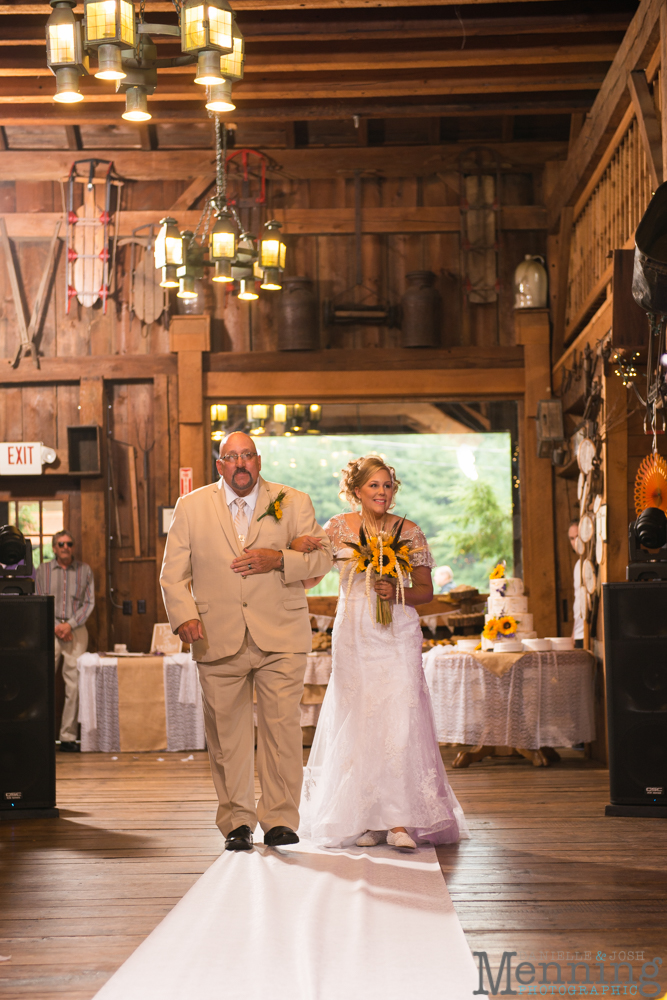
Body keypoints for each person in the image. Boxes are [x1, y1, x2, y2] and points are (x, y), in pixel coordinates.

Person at [160, 432, 333, 852]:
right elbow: (172, 572)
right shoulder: (191, 506)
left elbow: (322, 556)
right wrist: (183, 615)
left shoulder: (293, 501)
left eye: (247, 456)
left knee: (281, 731)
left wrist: (279, 559)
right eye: (230, 457)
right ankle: (237, 821)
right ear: (219, 466)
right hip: (216, 636)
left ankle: (279, 820)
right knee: (227, 736)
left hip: (281, 634)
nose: (240, 463)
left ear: (259, 461)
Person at [297, 455, 468, 850]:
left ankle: (399, 820)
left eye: (388, 485)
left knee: (400, 718)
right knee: (357, 718)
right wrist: (293, 547)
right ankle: (364, 819)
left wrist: (398, 592)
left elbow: (426, 590)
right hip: (354, 631)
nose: (382, 493)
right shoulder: (337, 528)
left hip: (397, 632)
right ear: (356, 490)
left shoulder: (410, 531)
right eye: (374, 486)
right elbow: (309, 578)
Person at [35, 529, 94, 752]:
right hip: (47, 629)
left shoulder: (84, 570)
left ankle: (68, 737)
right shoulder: (43, 570)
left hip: (76, 631)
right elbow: (38, 598)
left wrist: (69, 624)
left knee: (74, 684)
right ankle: (41, 735)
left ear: (73, 547)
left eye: (69, 543)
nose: (65, 547)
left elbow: (89, 603)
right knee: (42, 682)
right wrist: (56, 626)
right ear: (54, 548)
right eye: (61, 544)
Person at [568, 519, 585, 648]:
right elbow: (578, 600)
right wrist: (574, 632)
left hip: (590, 632)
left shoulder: (590, 563)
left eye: (578, 537)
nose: (575, 542)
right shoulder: (577, 565)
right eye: (572, 539)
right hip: (579, 633)